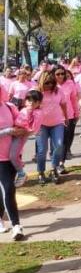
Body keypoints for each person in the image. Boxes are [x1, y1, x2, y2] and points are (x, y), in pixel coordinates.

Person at [34, 70, 68, 185]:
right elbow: (29, 108)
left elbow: (63, 104)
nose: (49, 85)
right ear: (41, 82)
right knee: (42, 150)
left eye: (52, 83)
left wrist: (66, 117)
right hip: (41, 125)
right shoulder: (36, 92)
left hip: (57, 123)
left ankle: (54, 169)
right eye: (47, 83)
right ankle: (41, 172)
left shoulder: (58, 91)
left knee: (58, 146)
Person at [0, 99, 26, 239]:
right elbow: (11, 130)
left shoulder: (9, 107)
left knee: (5, 190)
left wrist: (23, 130)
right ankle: (16, 225)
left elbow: (22, 124)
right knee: (8, 188)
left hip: (12, 156)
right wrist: (9, 131)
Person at [54, 66, 80, 170]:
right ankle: (56, 162)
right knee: (58, 142)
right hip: (55, 118)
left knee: (66, 141)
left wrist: (76, 113)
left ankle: (61, 163)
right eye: (58, 74)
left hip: (69, 116)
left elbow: (74, 99)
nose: (60, 76)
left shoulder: (70, 84)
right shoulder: (51, 85)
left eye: (62, 73)